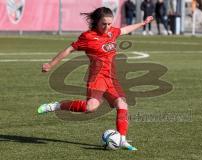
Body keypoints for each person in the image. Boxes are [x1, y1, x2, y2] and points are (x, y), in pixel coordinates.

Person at [37, 7, 153, 151]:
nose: (107, 27)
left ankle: (122, 139)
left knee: (122, 105)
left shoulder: (112, 32)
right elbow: (69, 49)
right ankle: (55, 106)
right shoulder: (88, 37)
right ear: (97, 22)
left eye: (110, 24)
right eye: (104, 24)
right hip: (97, 78)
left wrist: (142, 23)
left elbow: (124, 30)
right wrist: (51, 64)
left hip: (111, 78)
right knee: (90, 108)